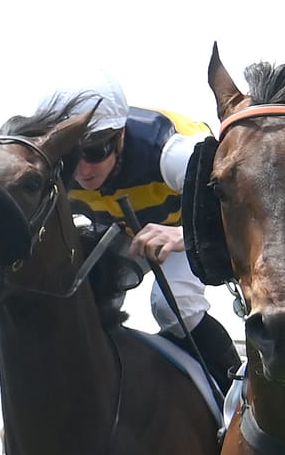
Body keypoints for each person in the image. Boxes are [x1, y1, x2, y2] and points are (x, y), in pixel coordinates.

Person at [36, 69, 241, 395]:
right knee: (73, 306)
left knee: (174, 307)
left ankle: (236, 396)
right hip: (122, 227)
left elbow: (244, 202)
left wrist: (184, 236)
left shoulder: (168, 152)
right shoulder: (50, 168)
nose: (83, 170)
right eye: (72, 154)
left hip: (189, 220)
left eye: (96, 151)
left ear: (120, 136)